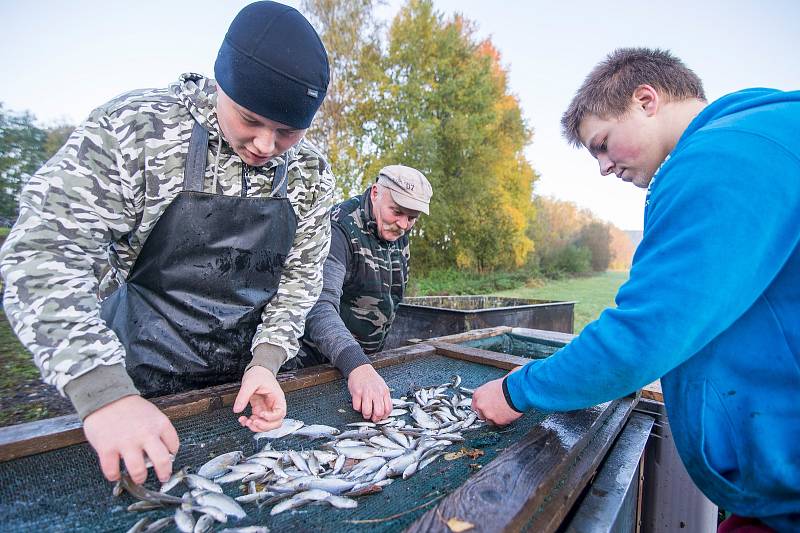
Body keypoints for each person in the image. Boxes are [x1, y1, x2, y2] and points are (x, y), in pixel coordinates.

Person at [0, 1, 334, 487]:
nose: (265, 145)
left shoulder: (309, 174)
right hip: (131, 384)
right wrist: (103, 391)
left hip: (237, 391)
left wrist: (267, 362)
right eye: (249, 120)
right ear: (223, 83)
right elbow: (42, 251)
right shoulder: (141, 130)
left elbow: (301, 278)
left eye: (287, 132)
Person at [472, 48, 799, 532]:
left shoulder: (717, 160)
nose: (603, 167)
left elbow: (644, 334)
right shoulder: (763, 136)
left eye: (602, 143)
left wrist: (516, 390)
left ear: (646, 100)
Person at [297, 165, 432, 422]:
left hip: (366, 366)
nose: (403, 224)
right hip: (316, 368)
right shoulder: (337, 228)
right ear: (375, 193)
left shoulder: (397, 230)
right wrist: (357, 364)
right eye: (397, 212)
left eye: (412, 218)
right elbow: (318, 305)